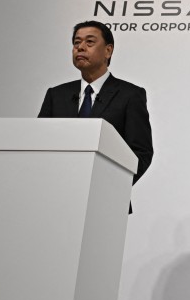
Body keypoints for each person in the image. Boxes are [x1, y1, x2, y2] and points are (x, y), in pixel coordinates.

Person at [38, 21, 154, 190]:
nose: (80, 47)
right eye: (76, 42)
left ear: (108, 50)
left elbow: (141, 153)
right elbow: (39, 144)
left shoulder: (130, 95)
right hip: (57, 192)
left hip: (106, 195)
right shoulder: (55, 95)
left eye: (89, 42)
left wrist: (111, 186)